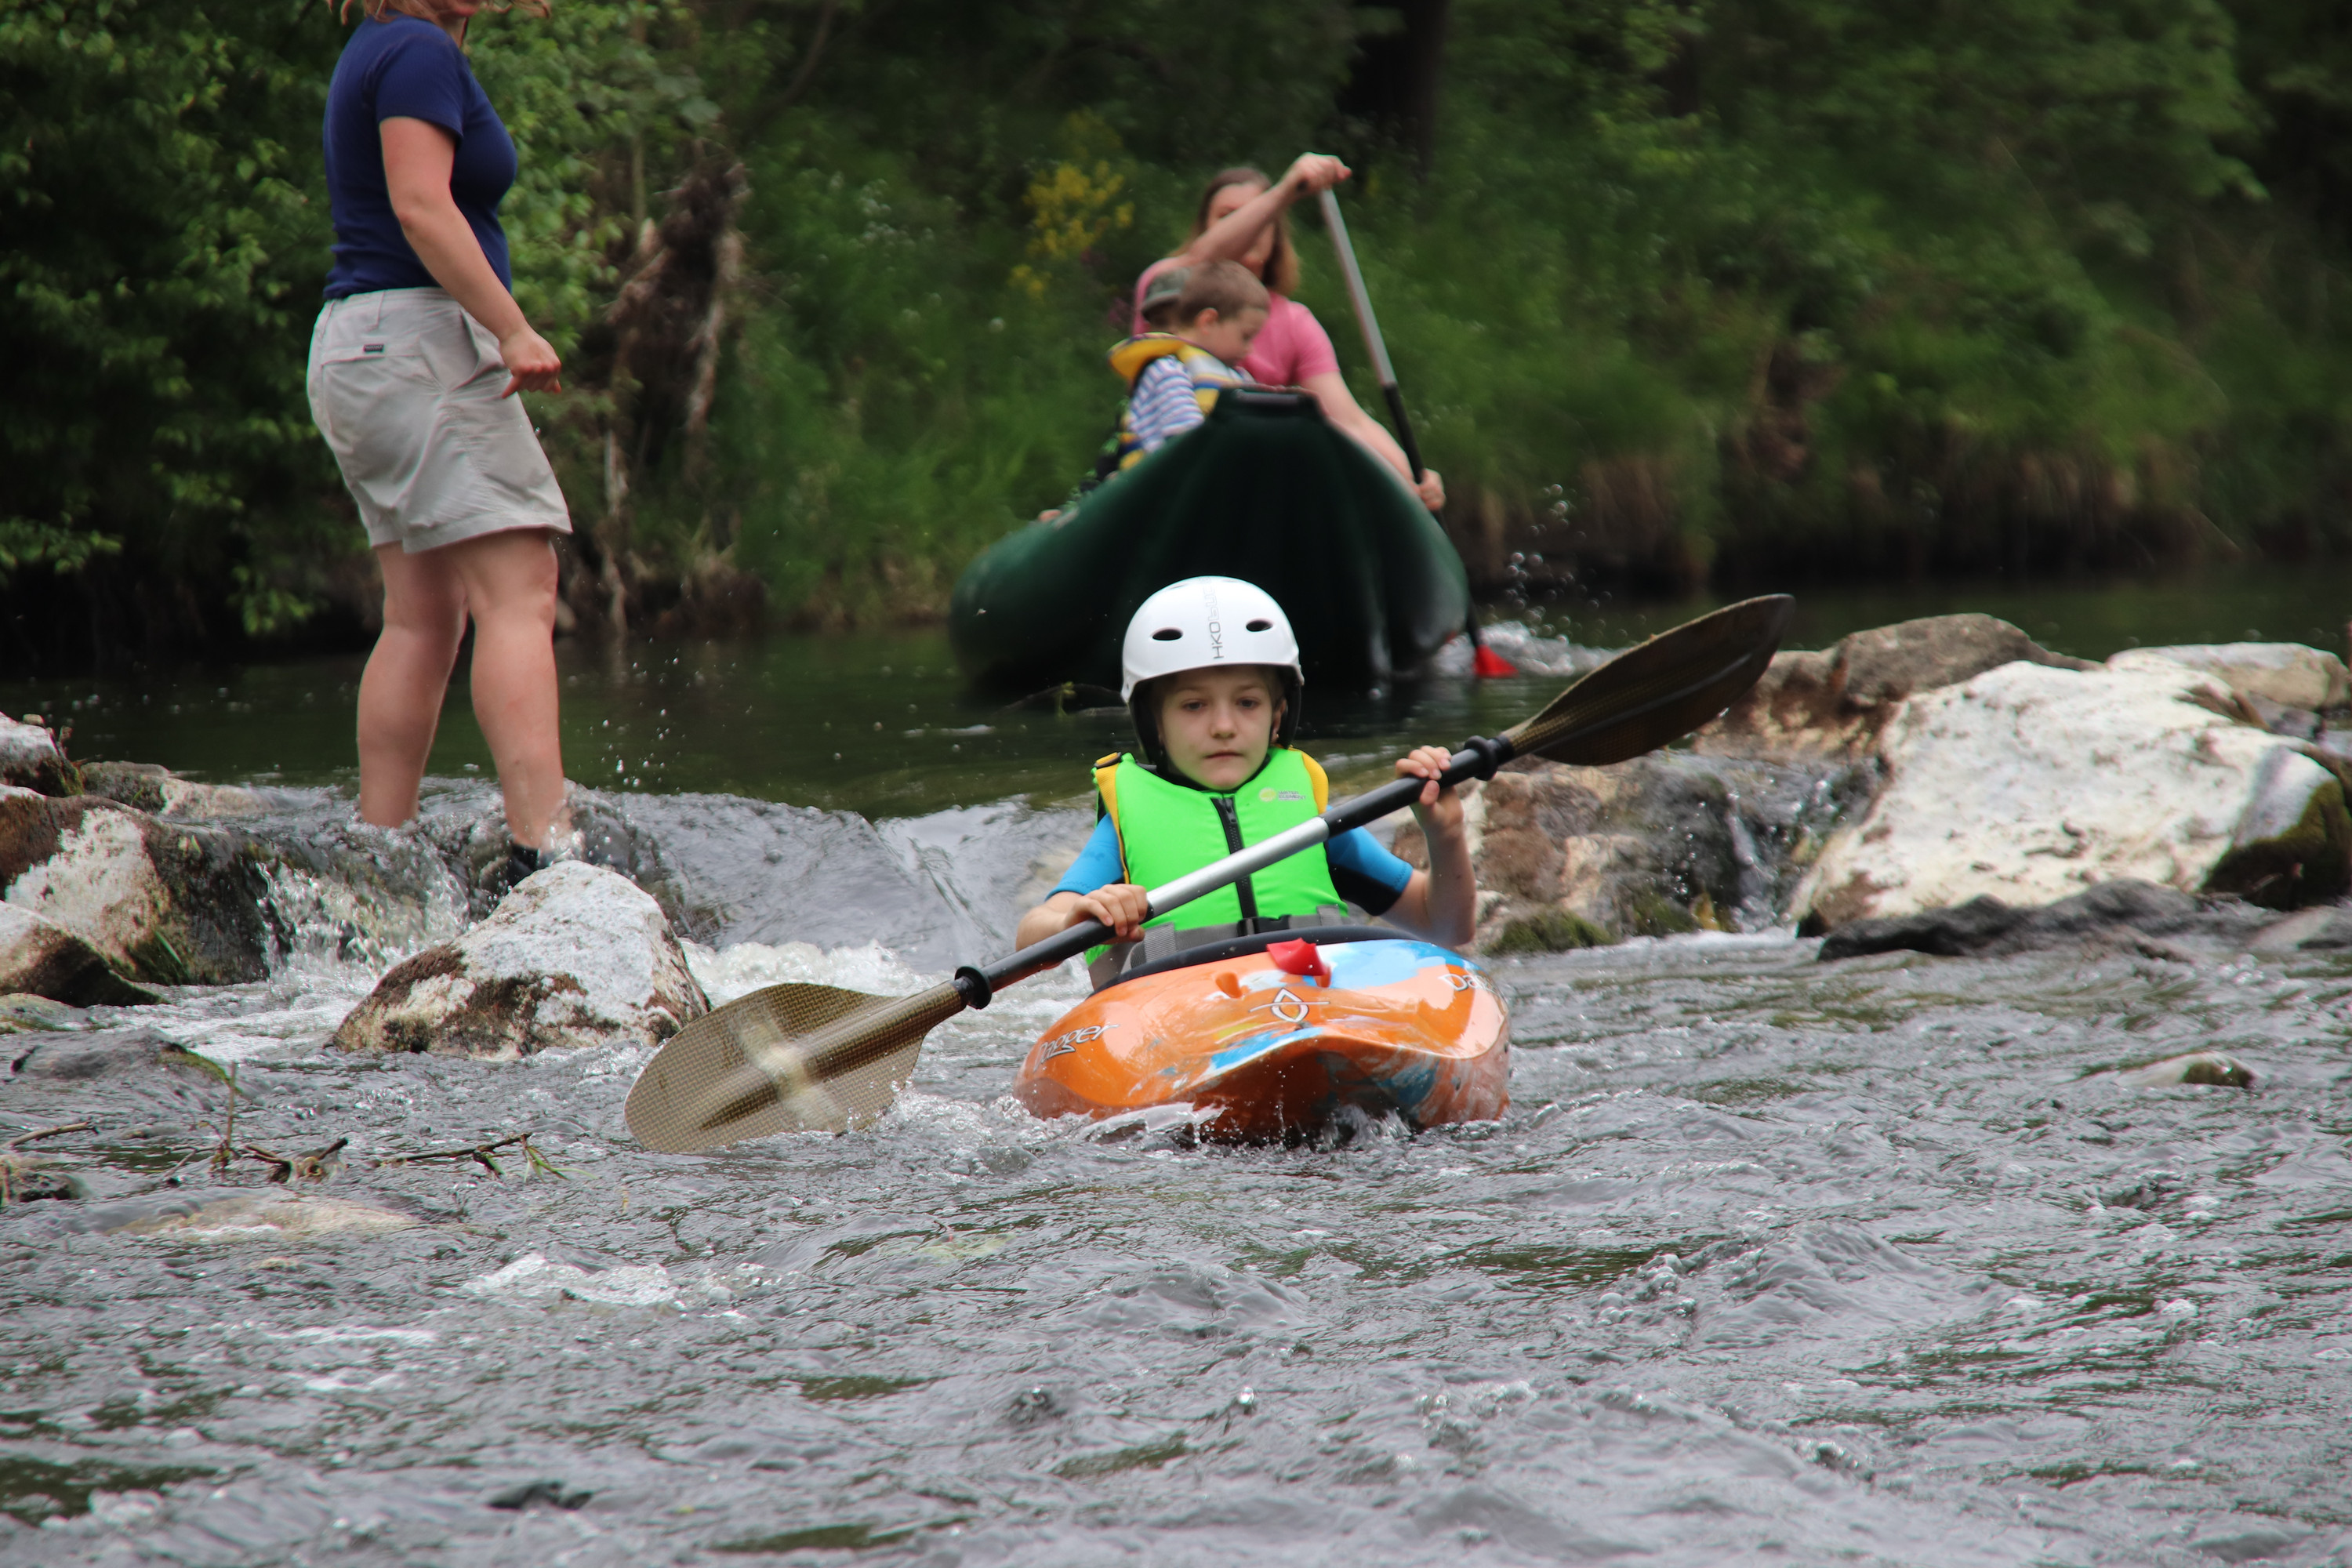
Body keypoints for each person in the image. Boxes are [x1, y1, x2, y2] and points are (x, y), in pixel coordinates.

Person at [309, 0, 574, 880]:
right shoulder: (418, 50)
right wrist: (513, 329)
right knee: (521, 586)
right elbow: (421, 206)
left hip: (359, 346)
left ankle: (380, 858)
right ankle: (546, 855)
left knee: (423, 614)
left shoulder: (379, 47)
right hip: (417, 338)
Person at [1014, 577, 1475, 989]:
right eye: (1194, 706)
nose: (1223, 727)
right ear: (1155, 724)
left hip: (1312, 1010)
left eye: (1248, 703)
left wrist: (1446, 834)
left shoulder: (1313, 822)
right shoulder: (1123, 828)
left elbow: (1446, 927)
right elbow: (1030, 936)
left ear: (1278, 717)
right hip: (1175, 1024)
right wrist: (1074, 919)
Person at [1131, 157, 1446, 513]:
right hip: (1169, 485)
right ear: (1205, 227)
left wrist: (1413, 477)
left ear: (1276, 232)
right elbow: (1203, 258)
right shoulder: (1169, 291)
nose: (1248, 224)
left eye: (1259, 215)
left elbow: (1350, 421)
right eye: (1227, 215)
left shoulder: (1295, 322)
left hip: (1250, 492)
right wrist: (1285, 191)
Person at [1109, 261, 1269, 466]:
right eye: (1245, 336)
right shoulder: (1168, 371)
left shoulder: (1239, 377)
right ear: (1208, 321)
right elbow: (1187, 443)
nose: (1249, 349)